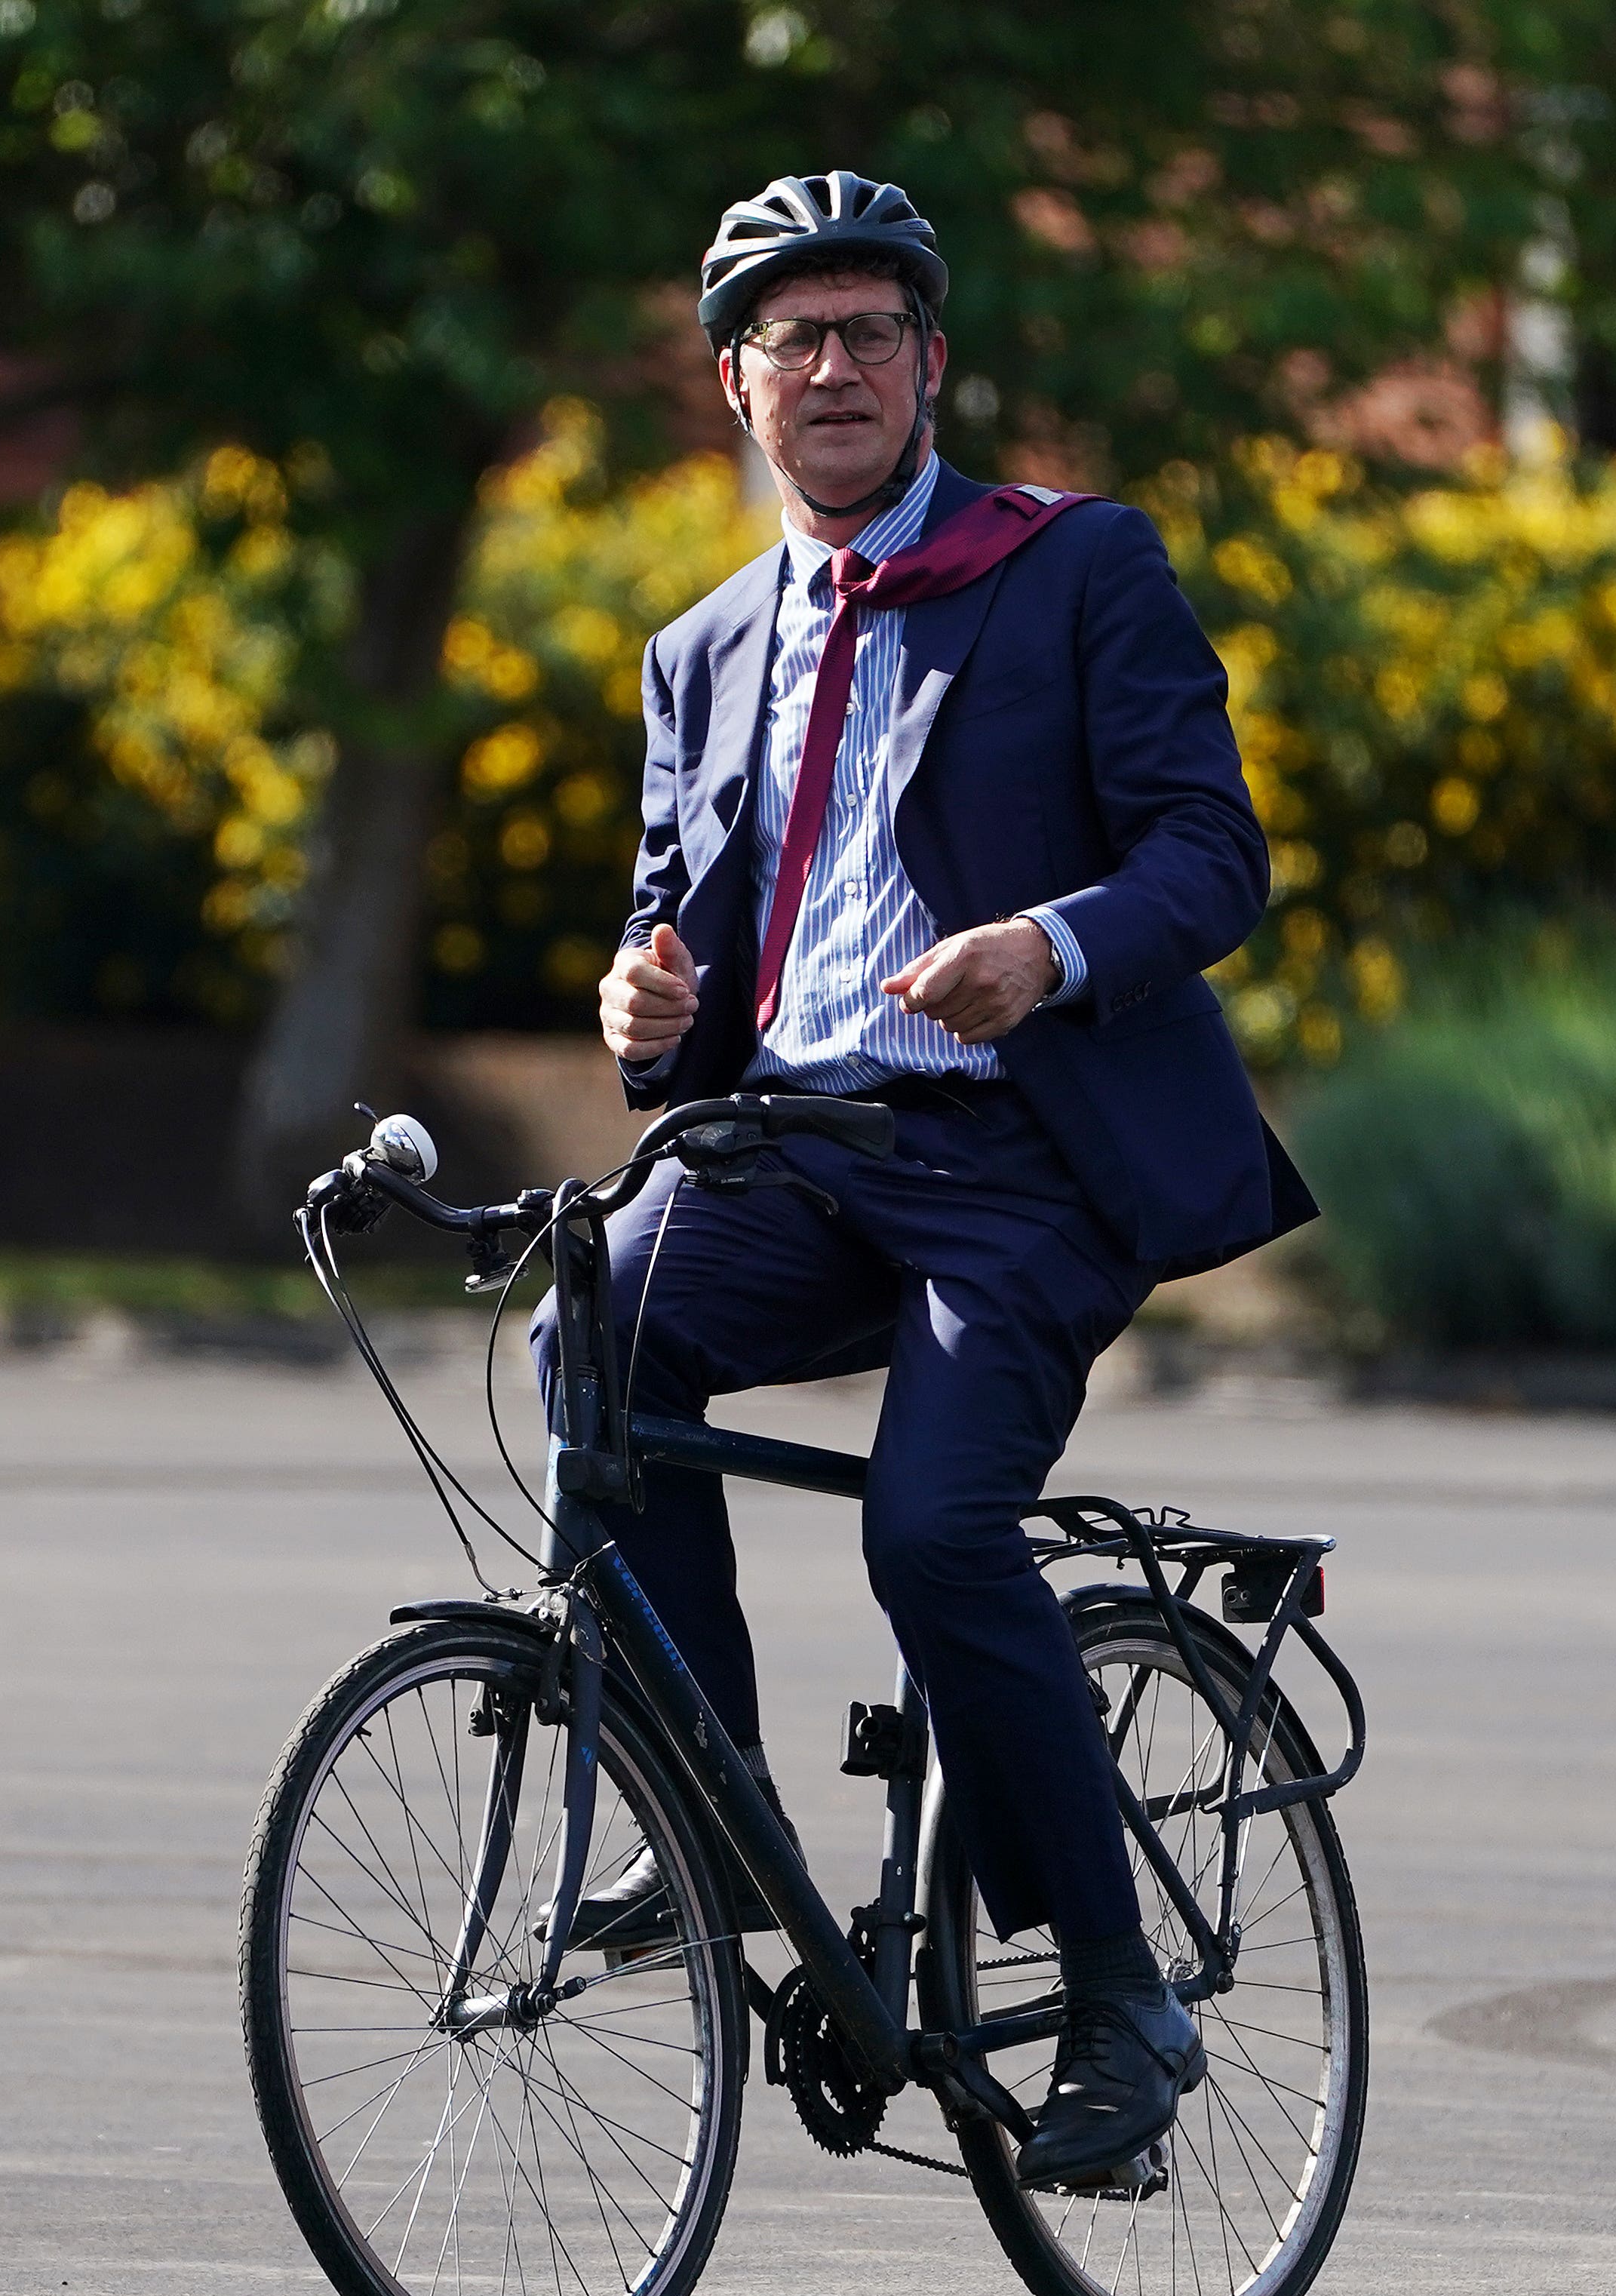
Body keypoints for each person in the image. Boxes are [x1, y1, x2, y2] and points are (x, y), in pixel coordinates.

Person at [530, 169, 1318, 2190]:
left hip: (1015, 1163)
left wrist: (1046, 947)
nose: (837, 366)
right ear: (735, 385)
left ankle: (1123, 2003)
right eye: (795, 337)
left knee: (933, 1533)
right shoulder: (700, 650)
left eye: (874, 329)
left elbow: (1210, 854)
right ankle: (704, 1805)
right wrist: (644, 1014)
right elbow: (682, 982)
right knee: (593, 1315)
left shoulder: (1072, 567)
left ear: (933, 363)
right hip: (793, 1149)